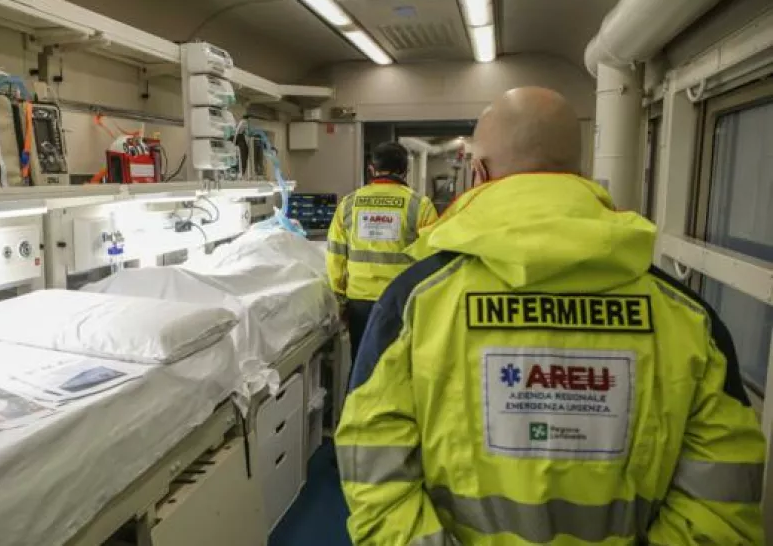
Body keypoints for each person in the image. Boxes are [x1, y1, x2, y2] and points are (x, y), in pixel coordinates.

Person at [336, 87, 765, 545]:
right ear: (579, 173)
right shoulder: (689, 318)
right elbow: (721, 507)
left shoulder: (414, 305)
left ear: (477, 174)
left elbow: (374, 469)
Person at [326, 142, 438, 363]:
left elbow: (335, 255)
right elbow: (433, 257)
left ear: (371, 169)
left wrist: (339, 298)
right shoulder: (420, 205)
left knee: (363, 365)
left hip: (360, 302)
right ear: (405, 170)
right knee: (401, 367)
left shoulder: (348, 204)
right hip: (402, 301)